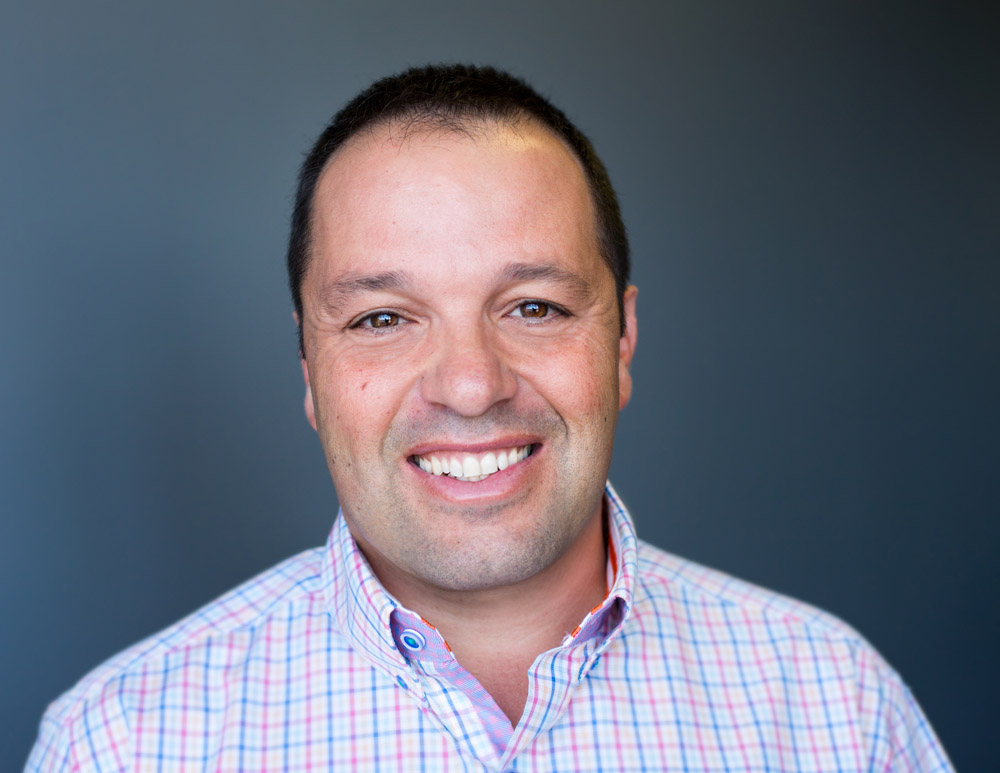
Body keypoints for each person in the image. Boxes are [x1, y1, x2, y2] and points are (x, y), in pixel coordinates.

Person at [26, 64, 953, 772]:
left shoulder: (838, 713)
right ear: (310, 368)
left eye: (534, 307)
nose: (471, 386)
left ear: (622, 340)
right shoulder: (122, 744)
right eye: (382, 319)